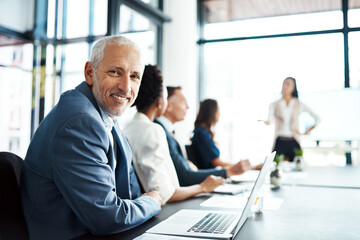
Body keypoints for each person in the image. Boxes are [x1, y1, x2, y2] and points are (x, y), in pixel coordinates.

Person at [20, 36, 162, 240]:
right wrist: (151, 202)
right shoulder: (80, 121)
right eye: (115, 72)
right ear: (90, 72)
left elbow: (129, 190)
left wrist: (142, 203)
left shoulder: (104, 114)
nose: (125, 86)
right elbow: (107, 217)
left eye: (134, 76)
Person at [124, 65, 226, 205]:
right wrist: (203, 187)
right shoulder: (152, 130)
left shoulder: (128, 127)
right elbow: (164, 193)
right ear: (160, 102)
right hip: (167, 209)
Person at [155, 86, 252, 187]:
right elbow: (185, 176)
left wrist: (186, 162)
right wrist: (230, 171)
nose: (188, 107)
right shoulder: (160, 131)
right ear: (167, 105)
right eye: (183, 102)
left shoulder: (171, 132)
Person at [259, 76, 320, 162]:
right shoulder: (274, 104)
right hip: (279, 141)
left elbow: (317, 119)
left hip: (293, 141)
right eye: (284, 83)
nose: (285, 86)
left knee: (298, 166)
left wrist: (307, 131)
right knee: (275, 167)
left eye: (288, 84)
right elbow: (270, 121)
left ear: (293, 88)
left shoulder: (298, 104)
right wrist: (263, 122)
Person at [190, 99, 240, 169]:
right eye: (217, 110)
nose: (219, 113)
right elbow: (216, 161)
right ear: (211, 112)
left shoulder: (204, 132)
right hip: (208, 175)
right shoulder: (201, 133)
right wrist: (240, 167)